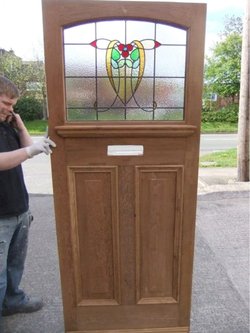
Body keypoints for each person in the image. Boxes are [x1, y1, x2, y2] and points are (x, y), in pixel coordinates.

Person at [0, 76, 56, 328]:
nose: (9, 109)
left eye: (12, 104)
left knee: (14, 264)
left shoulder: (7, 123)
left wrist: (20, 125)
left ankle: (11, 301)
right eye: (4, 103)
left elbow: (26, 150)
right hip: (0, 215)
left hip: (18, 208)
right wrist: (32, 150)